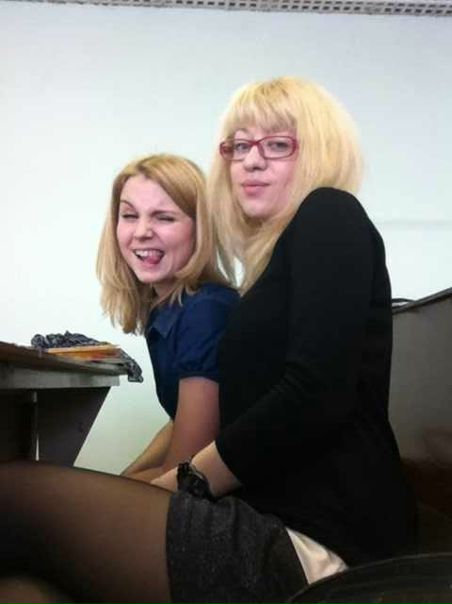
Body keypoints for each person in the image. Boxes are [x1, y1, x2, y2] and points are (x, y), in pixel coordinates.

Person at [0, 78, 417, 604]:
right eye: (238, 146)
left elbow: (314, 394)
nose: (251, 161)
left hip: (311, 546)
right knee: (23, 591)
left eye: (277, 144)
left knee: (12, 492)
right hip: (269, 517)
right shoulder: (270, 267)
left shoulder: (329, 212)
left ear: (320, 148)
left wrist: (185, 482)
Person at [96, 153, 238, 482]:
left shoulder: (206, 312)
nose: (141, 232)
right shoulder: (166, 308)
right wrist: (124, 478)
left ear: (200, 229)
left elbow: (185, 473)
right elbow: (180, 419)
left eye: (164, 217)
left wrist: (115, 489)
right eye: (129, 215)